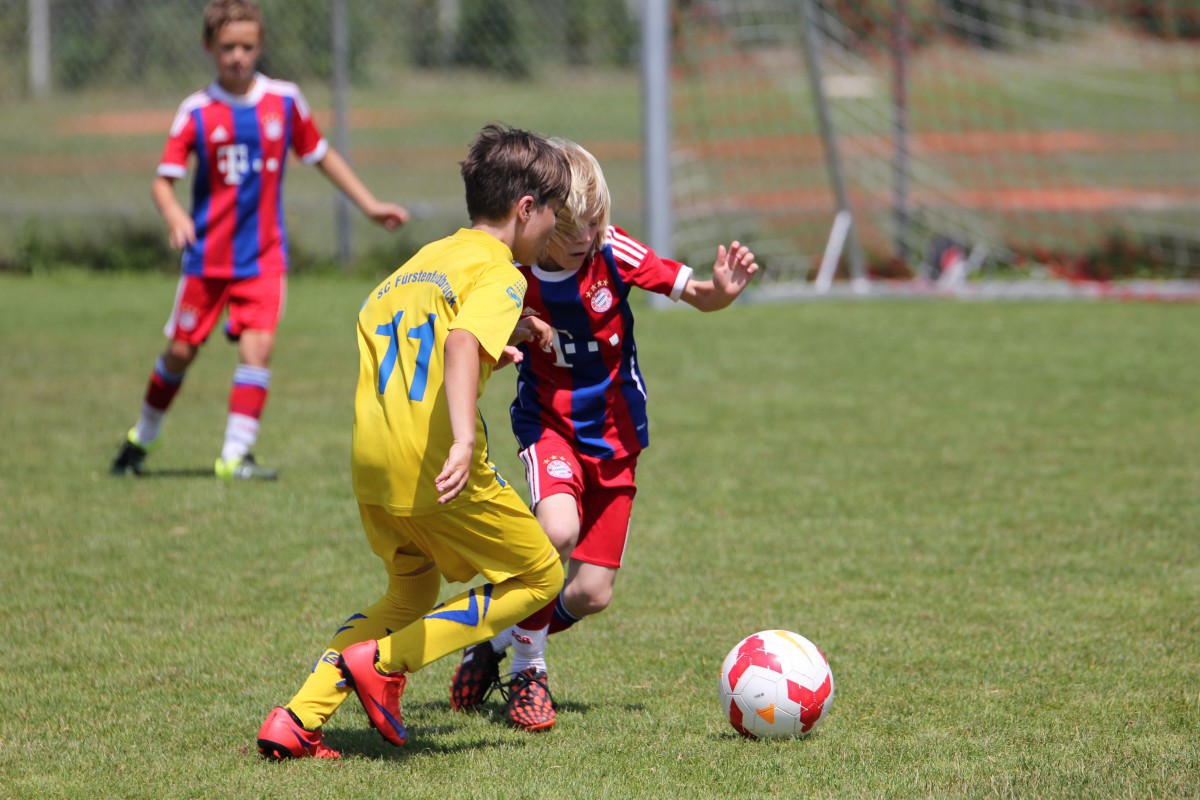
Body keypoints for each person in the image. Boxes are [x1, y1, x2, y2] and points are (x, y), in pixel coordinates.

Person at [255, 123, 571, 760]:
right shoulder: (501, 274)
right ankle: (390, 662)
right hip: (435, 463)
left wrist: (489, 357)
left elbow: (416, 343)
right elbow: (457, 343)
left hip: (373, 464)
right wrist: (460, 438)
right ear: (525, 208)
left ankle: (296, 719)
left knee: (411, 592)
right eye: (553, 215)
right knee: (540, 574)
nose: (555, 230)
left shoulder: (421, 264)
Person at [448, 139, 760, 731]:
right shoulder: (510, 270)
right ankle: (528, 670)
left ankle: (490, 639)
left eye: (599, 220)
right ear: (543, 219)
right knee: (557, 529)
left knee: (591, 592)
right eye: (579, 227)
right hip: (548, 426)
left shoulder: (614, 253)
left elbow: (697, 295)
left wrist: (722, 289)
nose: (593, 233)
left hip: (617, 436)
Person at [110, 0, 408, 481]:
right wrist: (173, 214)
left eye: (247, 46)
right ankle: (142, 435)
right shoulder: (197, 111)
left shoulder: (284, 101)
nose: (237, 56)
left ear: (260, 46)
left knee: (259, 350)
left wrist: (369, 205)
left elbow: (321, 154)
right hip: (206, 259)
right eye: (227, 47)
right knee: (181, 353)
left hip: (264, 257)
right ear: (209, 47)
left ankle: (235, 455)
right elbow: (162, 181)